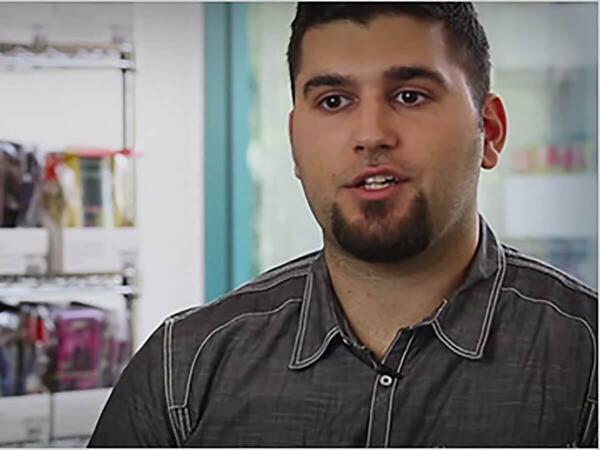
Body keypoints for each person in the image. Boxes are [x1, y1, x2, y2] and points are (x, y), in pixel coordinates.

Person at [89, 2, 597, 447]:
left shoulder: (587, 362)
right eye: (334, 101)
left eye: (410, 95)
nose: (371, 135)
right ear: (294, 142)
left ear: (489, 131)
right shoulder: (184, 371)